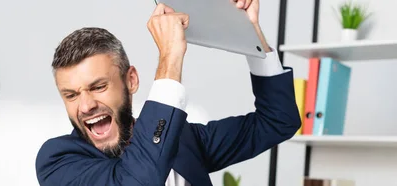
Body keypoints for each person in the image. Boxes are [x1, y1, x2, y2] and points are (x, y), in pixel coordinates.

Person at [35, 0, 301, 185]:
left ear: (131, 81)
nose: (85, 106)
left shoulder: (181, 138)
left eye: (98, 87)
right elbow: (139, 180)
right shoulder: (58, 160)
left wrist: (248, 32)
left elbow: (277, 121)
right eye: (71, 95)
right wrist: (171, 56)